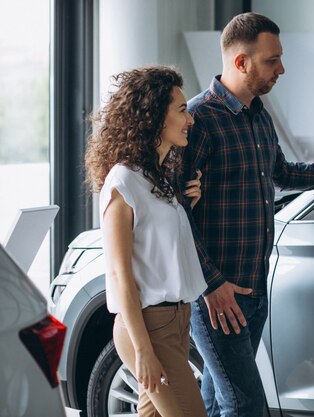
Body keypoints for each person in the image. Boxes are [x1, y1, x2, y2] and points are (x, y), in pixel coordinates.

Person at [182, 12, 314, 417]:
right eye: (272, 60)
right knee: (245, 405)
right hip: (218, 296)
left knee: (216, 398)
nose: (282, 68)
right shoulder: (199, 121)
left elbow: (282, 173)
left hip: (253, 290)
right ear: (241, 61)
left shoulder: (258, 113)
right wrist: (212, 285)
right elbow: (179, 215)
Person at [85, 65, 209, 417]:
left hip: (175, 321)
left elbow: (163, 249)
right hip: (149, 327)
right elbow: (120, 275)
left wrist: (187, 205)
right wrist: (142, 350)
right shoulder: (123, 182)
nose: (191, 120)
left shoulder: (158, 178)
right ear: (154, 116)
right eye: (182, 110)